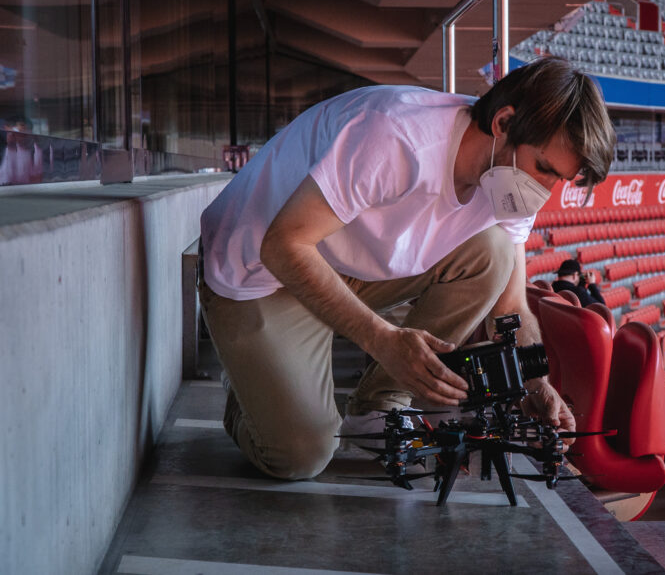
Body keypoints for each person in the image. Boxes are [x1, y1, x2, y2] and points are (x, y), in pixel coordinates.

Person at [198, 57, 616, 480]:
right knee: (299, 455)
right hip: (261, 272)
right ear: (503, 123)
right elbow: (284, 244)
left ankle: (377, 406)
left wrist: (535, 383)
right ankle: (248, 387)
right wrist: (381, 339)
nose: (543, 191)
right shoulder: (397, 135)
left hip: (348, 264)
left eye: (558, 179)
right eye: (544, 168)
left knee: (494, 254)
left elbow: (509, 305)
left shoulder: (507, 180)